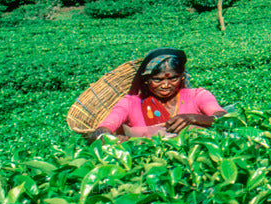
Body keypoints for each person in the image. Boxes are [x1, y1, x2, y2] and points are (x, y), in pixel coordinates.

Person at [85, 48, 225, 143]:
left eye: (173, 78)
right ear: (146, 80)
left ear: (182, 77)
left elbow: (225, 118)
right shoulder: (130, 103)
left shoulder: (197, 96)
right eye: (157, 80)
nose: (165, 85)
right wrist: (120, 140)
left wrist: (194, 118)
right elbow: (101, 131)